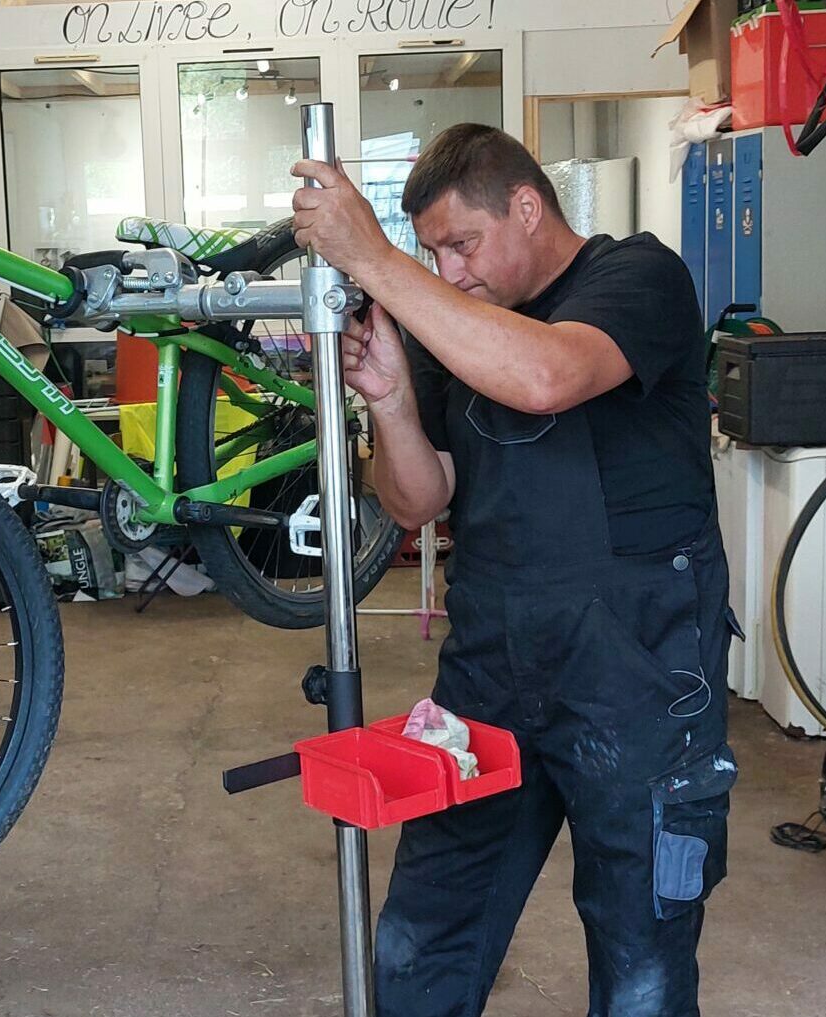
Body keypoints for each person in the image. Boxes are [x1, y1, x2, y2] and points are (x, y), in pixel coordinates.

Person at [290, 123, 740, 1017]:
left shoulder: (637, 277)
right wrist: (391, 405)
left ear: (527, 206)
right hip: (491, 664)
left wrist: (375, 259)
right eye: (431, 251)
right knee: (422, 937)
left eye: (462, 243)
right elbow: (419, 500)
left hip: (638, 674)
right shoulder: (452, 327)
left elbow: (544, 377)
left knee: (638, 956)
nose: (448, 270)